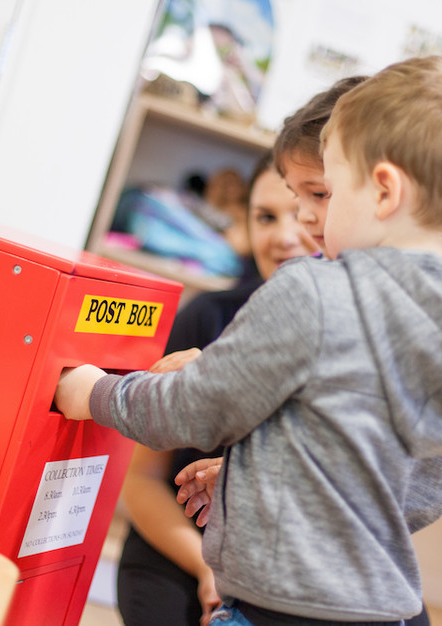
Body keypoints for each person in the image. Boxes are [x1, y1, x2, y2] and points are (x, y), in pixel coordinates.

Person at [56, 56, 442, 624]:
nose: (307, 219)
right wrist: (260, 474)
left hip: (274, 610)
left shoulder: (317, 293)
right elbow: (409, 494)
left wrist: (94, 393)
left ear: (381, 191)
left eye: (328, 189)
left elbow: (194, 409)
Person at [116, 151, 319, 626]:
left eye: (303, 212)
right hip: (185, 551)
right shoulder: (206, 316)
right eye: (265, 217)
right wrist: (207, 569)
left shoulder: (357, 342)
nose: (283, 236)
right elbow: (142, 480)